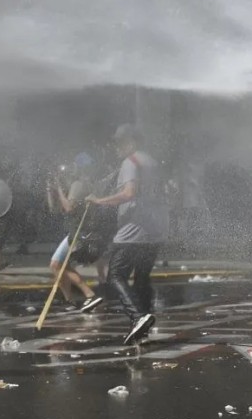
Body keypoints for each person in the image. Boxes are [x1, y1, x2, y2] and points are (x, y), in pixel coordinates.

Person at [88, 124, 169, 345]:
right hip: (156, 229)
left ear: (131, 142)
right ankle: (145, 321)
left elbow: (129, 193)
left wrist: (99, 202)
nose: (116, 147)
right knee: (142, 277)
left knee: (116, 275)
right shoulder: (152, 162)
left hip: (135, 230)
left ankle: (138, 317)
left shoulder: (130, 162)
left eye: (119, 143)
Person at [46, 153, 104, 313]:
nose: (71, 169)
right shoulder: (87, 184)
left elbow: (69, 208)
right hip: (81, 231)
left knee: (56, 264)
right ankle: (69, 300)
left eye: (73, 166)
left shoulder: (79, 184)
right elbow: (54, 209)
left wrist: (59, 189)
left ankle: (89, 294)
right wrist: (52, 190)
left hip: (79, 233)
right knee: (59, 265)